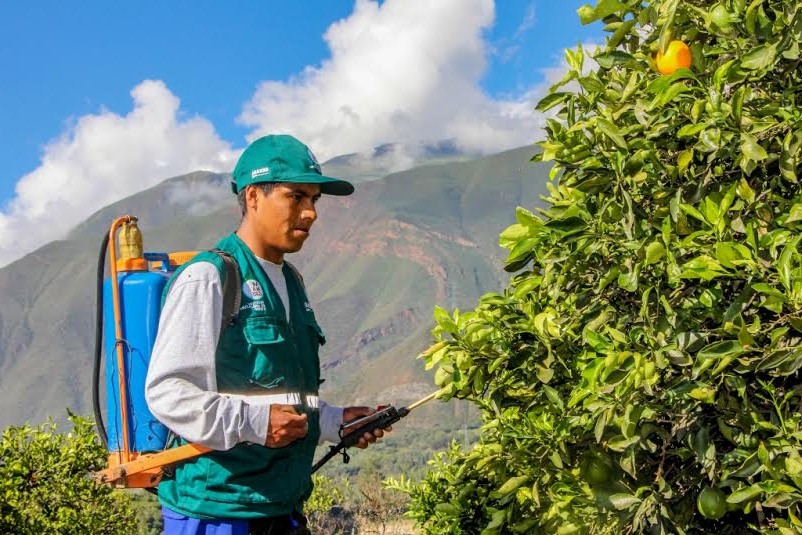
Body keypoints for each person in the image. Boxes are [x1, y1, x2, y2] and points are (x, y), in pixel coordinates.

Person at [145, 134, 387, 535]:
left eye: (314, 200)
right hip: (217, 511)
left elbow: (286, 397)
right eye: (297, 197)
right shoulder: (209, 277)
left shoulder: (292, 281)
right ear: (254, 196)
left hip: (280, 506)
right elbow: (168, 393)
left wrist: (334, 421)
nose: (310, 213)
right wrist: (256, 424)